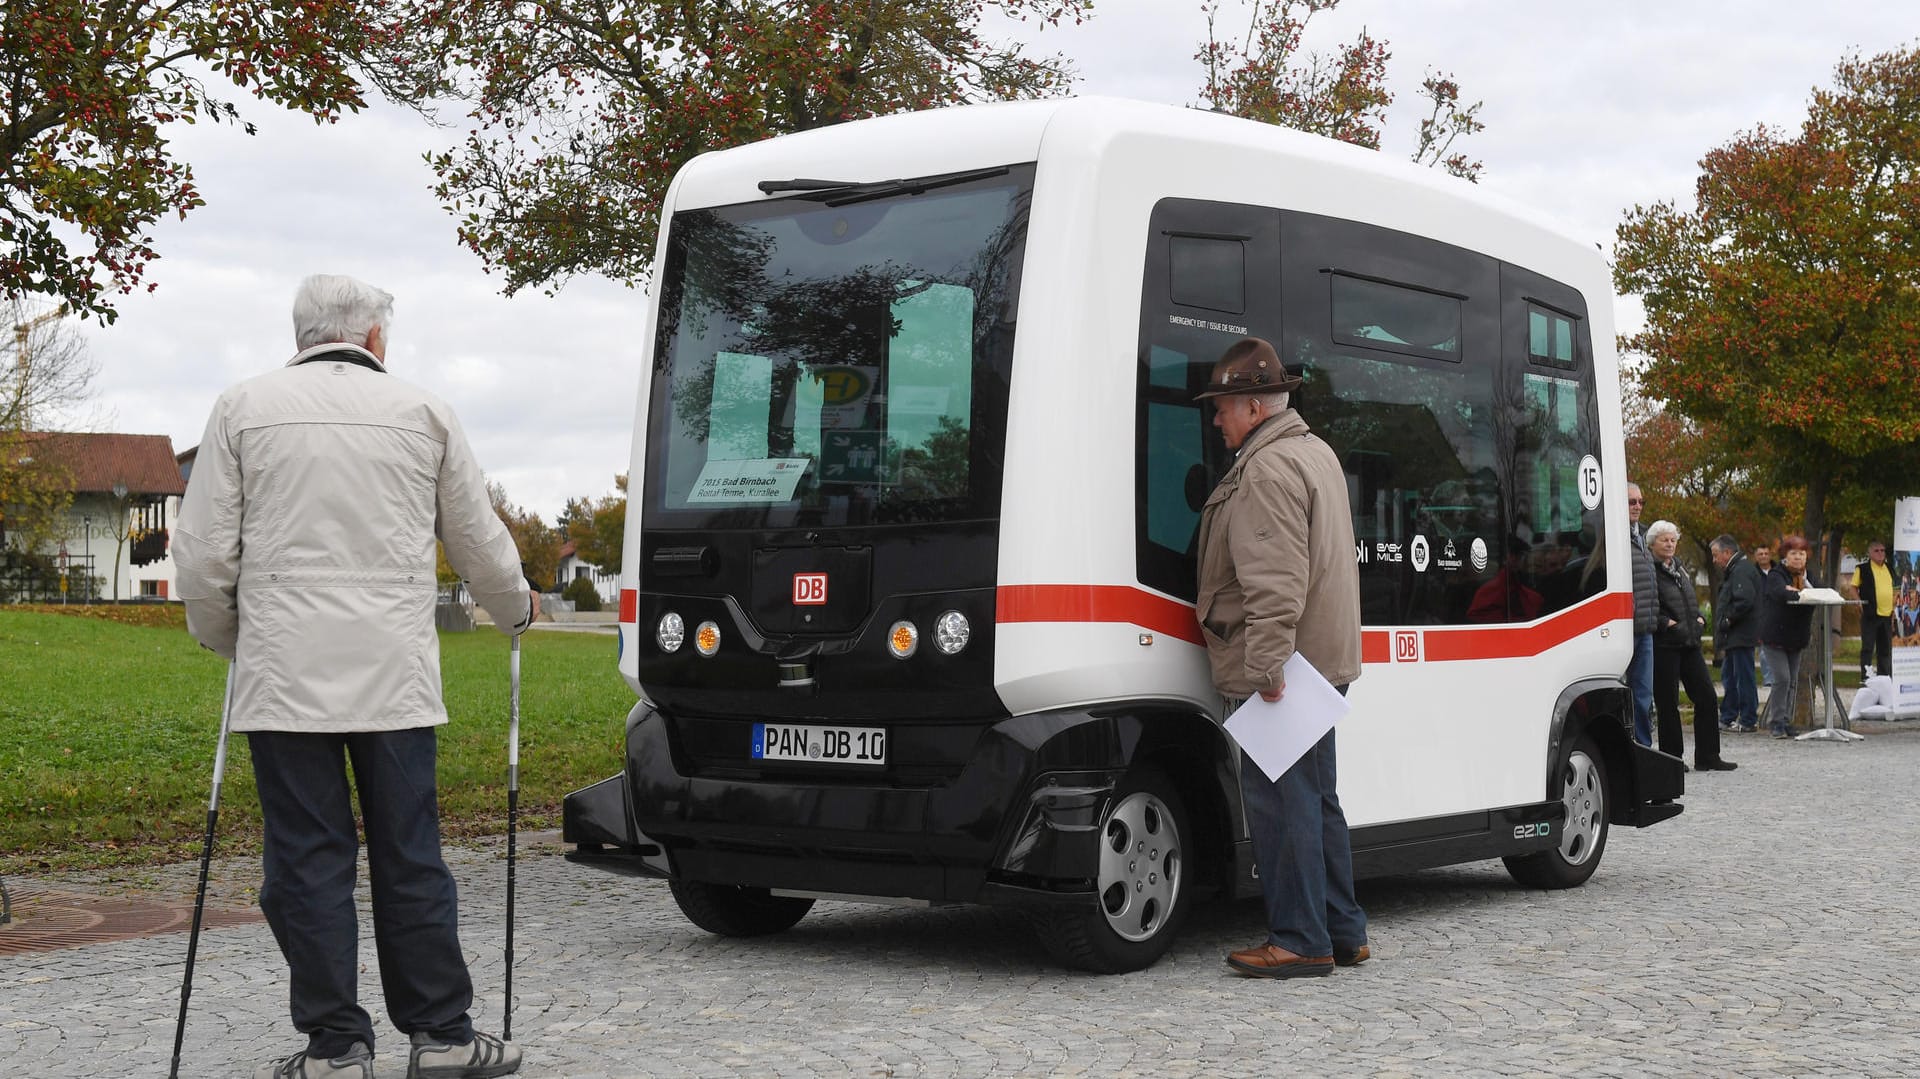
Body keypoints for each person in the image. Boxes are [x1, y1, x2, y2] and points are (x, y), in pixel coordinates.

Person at [174, 275, 533, 1079]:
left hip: (283, 677)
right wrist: (513, 610)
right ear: (374, 339)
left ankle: (336, 1048)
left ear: (302, 336)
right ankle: (441, 1034)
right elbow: (476, 534)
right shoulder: (424, 411)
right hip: (393, 678)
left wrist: (230, 635)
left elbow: (201, 555)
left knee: (306, 860)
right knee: (411, 853)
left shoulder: (241, 408)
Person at [1193, 337, 1367, 980]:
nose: (1217, 420)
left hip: (1285, 669)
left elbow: (1274, 582)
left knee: (1281, 805)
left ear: (1256, 408)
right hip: (1321, 663)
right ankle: (1343, 931)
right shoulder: (1313, 452)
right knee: (1318, 800)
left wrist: (1266, 670)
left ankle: (1298, 939)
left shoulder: (1264, 470)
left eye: (1223, 407)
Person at [1647, 521, 1736, 771]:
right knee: (1668, 704)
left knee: (1706, 697)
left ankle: (1708, 756)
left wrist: (1699, 618)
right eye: (1664, 539)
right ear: (1653, 543)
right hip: (1665, 644)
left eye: (1673, 539)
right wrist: (1667, 623)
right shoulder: (1648, 569)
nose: (1669, 544)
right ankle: (1672, 759)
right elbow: (1648, 605)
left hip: (1690, 642)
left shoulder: (1679, 568)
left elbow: (1690, 599)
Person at [1758, 534, 1821, 740]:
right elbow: (1780, 593)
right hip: (1775, 636)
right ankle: (1775, 722)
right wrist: (1798, 593)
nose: (1797, 557)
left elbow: (1821, 592)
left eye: (1801, 553)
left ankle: (1786, 721)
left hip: (1797, 637)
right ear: (1785, 555)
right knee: (1782, 679)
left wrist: (1799, 591)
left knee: (1793, 681)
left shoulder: (1810, 575)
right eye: (1793, 553)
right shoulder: (1777, 574)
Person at [1710, 535, 1762, 734]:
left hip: (1740, 634)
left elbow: (1744, 600)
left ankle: (1748, 719)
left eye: (1716, 555)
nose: (1714, 560)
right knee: (1730, 676)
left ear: (1727, 553)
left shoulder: (1740, 571)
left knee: (1742, 677)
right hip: (1736, 636)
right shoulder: (1738, 570)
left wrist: (1727, 620)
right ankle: (1728, 716)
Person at [1625, 484, 1658, 747]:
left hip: (1645, 629)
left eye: (1640, 501)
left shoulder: (1645, 537)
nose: (1637, 506)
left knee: (1643, 695)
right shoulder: (1613, 536)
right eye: (1631, 502)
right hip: (1623, 628)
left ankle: (1643, 749)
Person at [1851, 540, 1894, 679]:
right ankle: (1866, 678)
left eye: (1882, 550)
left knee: (1885, 650)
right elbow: (1853, 587)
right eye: (1876, 551)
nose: (1880, 553)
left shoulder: (1890, 568)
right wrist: (1857, 601)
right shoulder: (1862, 569)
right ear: (1870, 553)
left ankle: (1884, 678)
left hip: (1887, 615)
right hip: (1871, 614)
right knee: (1868, 648)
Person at [1751, 541, 1777, 685]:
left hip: (1777, 613)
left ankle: (1779, 677)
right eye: (1760, 554)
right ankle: (1769, 679)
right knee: (1763, 649)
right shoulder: (1753, 573)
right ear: (1756, 556)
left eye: (1766, 553)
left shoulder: (1778, 571)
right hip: (1760, 615)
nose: (1763, 556)